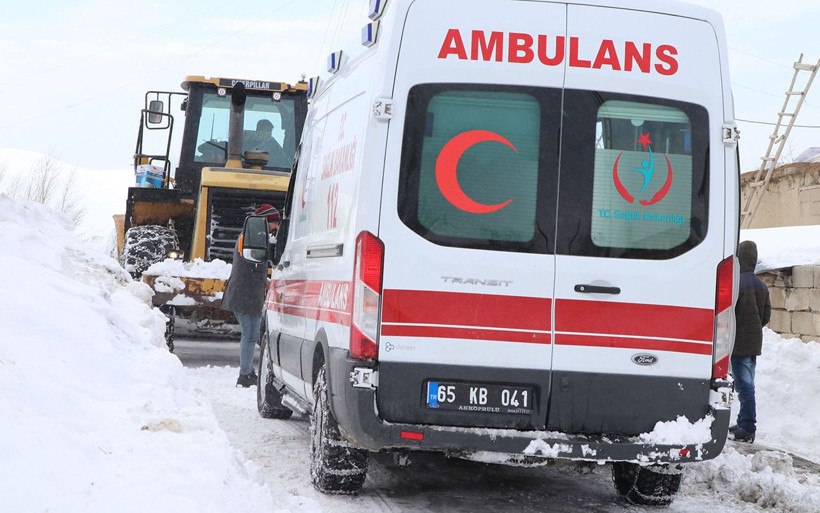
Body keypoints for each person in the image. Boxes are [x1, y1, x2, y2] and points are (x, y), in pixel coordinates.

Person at [221, 204, 281, 388]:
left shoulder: (250, 236)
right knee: (250, 335)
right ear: (265, 222)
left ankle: (247, 371)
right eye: (275, 222)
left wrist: (265, 281)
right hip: (245, 294)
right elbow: (254, 259)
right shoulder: (250, 238)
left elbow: (252, 265)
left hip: (247, 293)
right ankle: (244, 375)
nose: (276, 227)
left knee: (251, 334)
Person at [730, 240, 771, 443]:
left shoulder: (736, 283)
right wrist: (754, 329)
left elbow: (728, 314)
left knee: (745, 386)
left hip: (738, 344)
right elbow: (766, 315)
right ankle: (742, 421)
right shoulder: (761, 285)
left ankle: (747, 428)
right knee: (746, 383)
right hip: (753, 344)